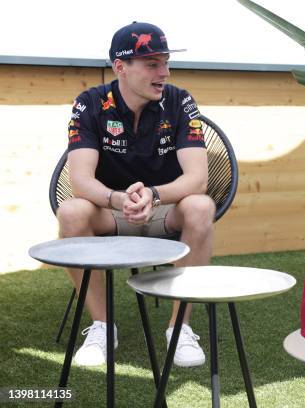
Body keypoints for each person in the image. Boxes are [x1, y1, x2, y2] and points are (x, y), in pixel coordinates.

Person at [57, 22, 215, 368]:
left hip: (165, 209)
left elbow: (198, 179)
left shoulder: (180, 100)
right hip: (110, 211)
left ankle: (179, 327)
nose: (165, 73)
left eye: (166, 62)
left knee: (201, 206)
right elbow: (80, 181)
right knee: (70, 212)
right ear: (120, 67)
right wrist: (117, 199)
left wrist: (154, 196)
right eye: (153, 64)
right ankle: (102, 325)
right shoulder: (90, 103)